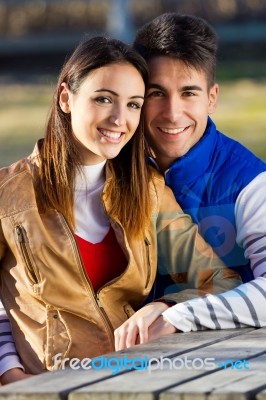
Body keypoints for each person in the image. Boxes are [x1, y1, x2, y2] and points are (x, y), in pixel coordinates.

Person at [0, 36, 240, 383]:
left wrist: (169, 309)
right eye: (103, 99)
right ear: (66, 98)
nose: (118, 119)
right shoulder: (10, 195)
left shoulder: (148, 190)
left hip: (135, 381)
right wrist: (9, 374)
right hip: (45, 385)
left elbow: (220, 280)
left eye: (133, 105)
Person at [114, 12, 266, 350]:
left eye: (188, 93)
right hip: (117, 365)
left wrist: (174, 313)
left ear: (212, 98)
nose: (172, 112)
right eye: (156, 93)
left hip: (234, 367)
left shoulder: (250, 182)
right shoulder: (107, 172)